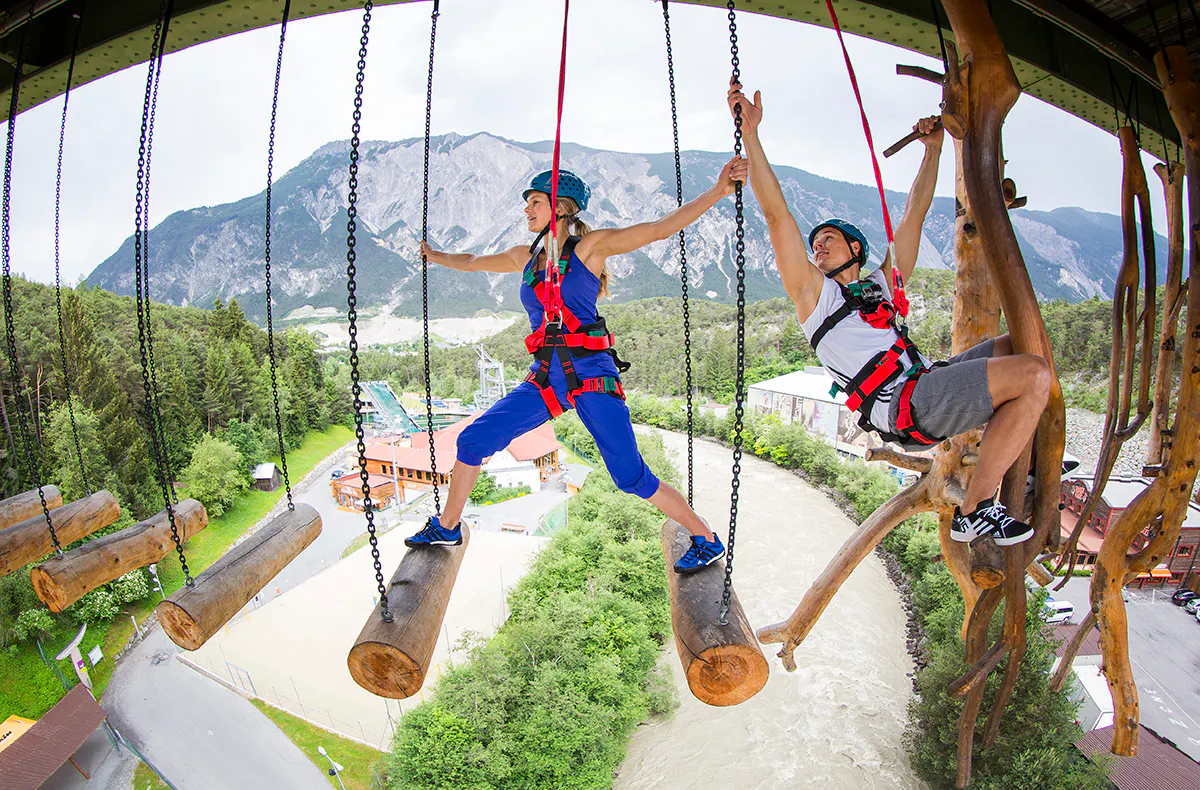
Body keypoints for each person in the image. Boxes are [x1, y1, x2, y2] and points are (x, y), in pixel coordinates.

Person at [727, 80, 1050, 546]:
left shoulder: (880, 284)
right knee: (1034, 374)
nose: (817, 246)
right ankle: (976, 509)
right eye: (815, 244)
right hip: (905, 405)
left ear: (855, 248)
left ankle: (1030, 454)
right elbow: (778, 217)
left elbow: (913, 217)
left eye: (829, 239)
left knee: (1026, 344)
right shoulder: (816, 301)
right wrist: (751, 135)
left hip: (922, 382)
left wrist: (933, 152)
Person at [403, 157, 749, 573]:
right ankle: (448, 526)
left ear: (561, 208)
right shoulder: (524, 258)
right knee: (473, 441)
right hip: (546, 378)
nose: (526, 210)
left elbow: (660, 229)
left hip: (591, 376)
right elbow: (473, 261)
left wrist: (718, 191)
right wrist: (433, 256)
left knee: (630, 476)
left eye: (534, 201)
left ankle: (705, 537)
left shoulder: (590, 248)